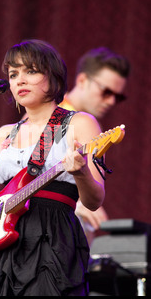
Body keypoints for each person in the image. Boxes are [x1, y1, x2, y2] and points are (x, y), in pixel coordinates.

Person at [0, 39, 105, 296]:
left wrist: (81, 172)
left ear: (53, 76)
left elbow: (95, 200)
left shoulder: (80, 123)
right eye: (13, 74)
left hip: (51, 240)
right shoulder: (4, 134)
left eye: (30, 71)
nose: (19, 80)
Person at [60, 47, 130, 245]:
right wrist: (70, 202)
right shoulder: (51, 114)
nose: (111, 101)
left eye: (118, 96)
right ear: (82, 80)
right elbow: (19, 178)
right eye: (106, 92)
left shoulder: (88, 125)